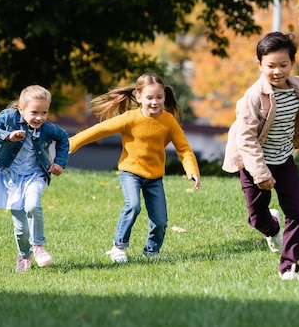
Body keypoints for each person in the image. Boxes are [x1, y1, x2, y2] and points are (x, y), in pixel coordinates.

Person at [223, 31, 299, 282]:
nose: (277, 71)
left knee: (297, 212)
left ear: (292, 64)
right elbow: (246, 139)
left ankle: (289, 268)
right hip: (253, 162)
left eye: (283, 65)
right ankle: (271, 227)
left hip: (284, 159)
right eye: (271, 66)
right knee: (257, 218)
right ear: (260, 65)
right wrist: (261, 173)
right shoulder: (253, 97)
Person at [68, 72, 200, 263]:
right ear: (139, 98)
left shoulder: (168, 121)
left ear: (164, 97)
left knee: (161, 221)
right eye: (149, 98)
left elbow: (184, 149)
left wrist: (192, 171)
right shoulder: (130, 118)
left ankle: (151, 252)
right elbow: (99, 130)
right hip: (130, 172)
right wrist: (71, 145)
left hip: (154, 177)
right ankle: (118, 247)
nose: (155, 102)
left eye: (159, 97)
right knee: (133, 206)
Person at [0, 85, 69, 273]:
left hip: (35, 174)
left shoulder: (48, 128)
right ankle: (24, 255)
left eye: (44, 112)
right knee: (20, 227)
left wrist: (59, 162)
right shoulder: (9, 117)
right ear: (21, 108)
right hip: (10, 177)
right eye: (34, 112)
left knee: (33, 205)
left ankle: (38, 246)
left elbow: (63, 138)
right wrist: (7, 136)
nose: (40, 117)